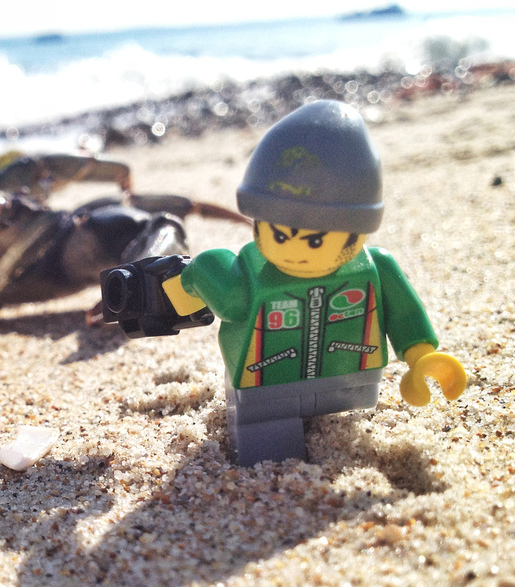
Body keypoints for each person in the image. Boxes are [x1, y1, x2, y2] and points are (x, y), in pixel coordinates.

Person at [160, 100, 465, 464]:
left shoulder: (375, 267)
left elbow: (404, 314)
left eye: (316, 241)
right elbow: (222, 292)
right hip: (266, 389)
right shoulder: (251, 276)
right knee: (268, 447)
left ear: (359, 229)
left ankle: (313, 447)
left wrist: (421, 356)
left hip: (351, 382)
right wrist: (194, 278)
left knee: (337, 435)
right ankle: (272, 470)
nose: (296, 251)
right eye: (280, 235)